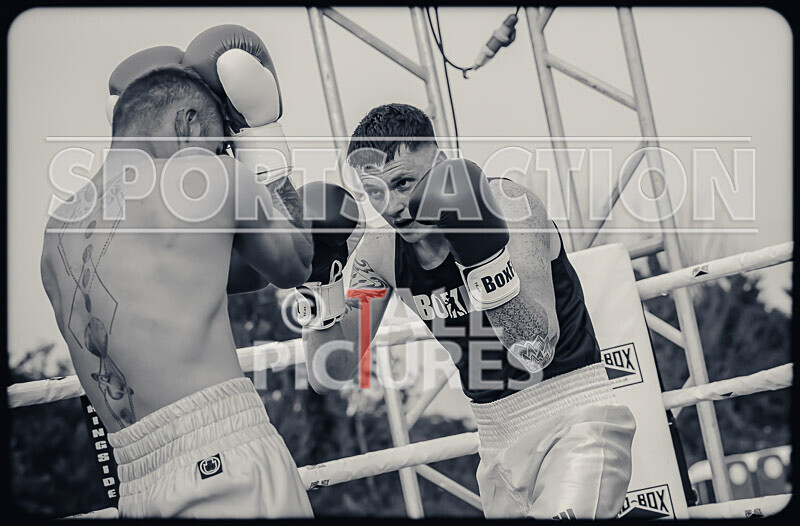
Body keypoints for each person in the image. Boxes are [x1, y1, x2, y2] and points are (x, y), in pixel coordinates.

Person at [297, 103, 637, 519]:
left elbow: (536, 348)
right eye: (377, 194)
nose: (394, 207)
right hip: (496, 442)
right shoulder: (380, 255)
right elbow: (326, 372)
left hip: (575, 420)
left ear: (441, 165)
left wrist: (480, 256)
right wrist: (319, 282)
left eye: (404, 182)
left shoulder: (509, 206)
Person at [40, 26, 315, 518]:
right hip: (225, 460)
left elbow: (230, 277)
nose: (216, 155)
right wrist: (262, 145)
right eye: (212, 142)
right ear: (188, 122)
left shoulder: (56, 231)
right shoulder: (212, 176)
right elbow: (295, 262)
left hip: (137, 485)